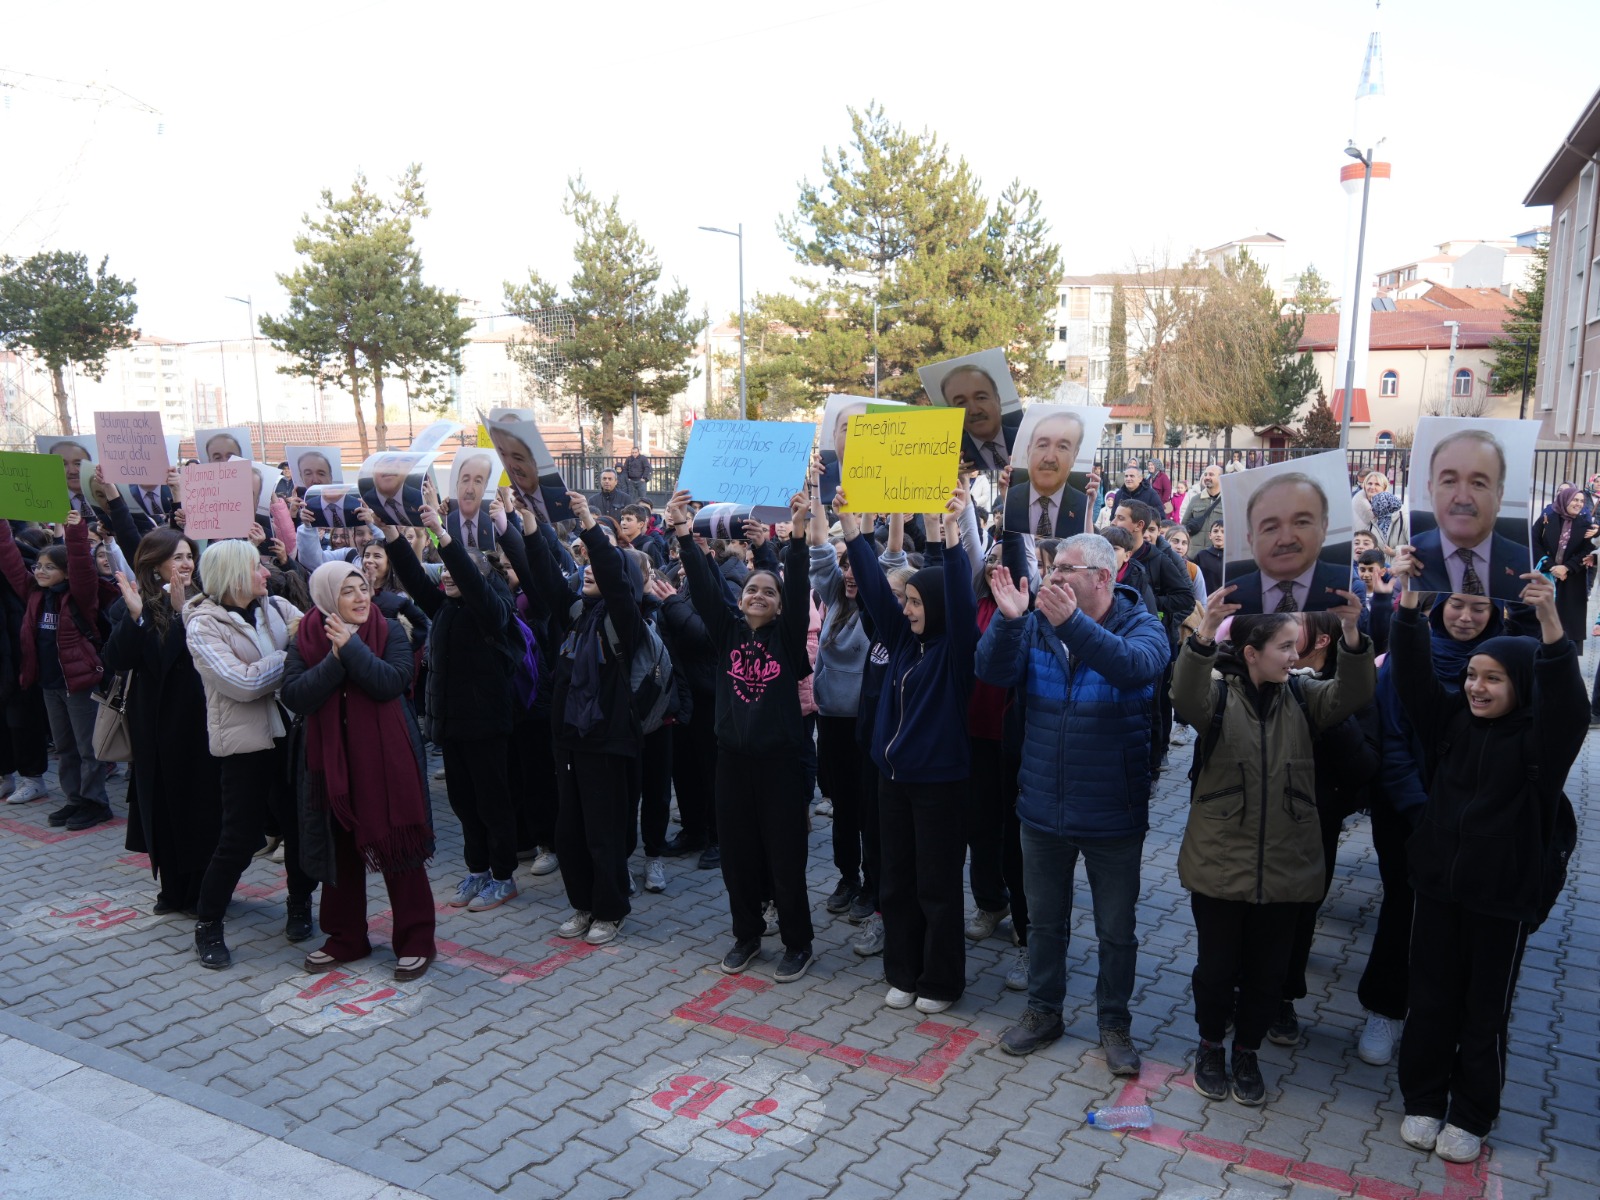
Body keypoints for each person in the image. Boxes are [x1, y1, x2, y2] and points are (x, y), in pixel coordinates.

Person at [1389, 572, 1582, 1164]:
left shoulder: (1540, 746)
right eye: (1472, 674)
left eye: (1493, 678)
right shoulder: (1450, 723)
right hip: (1438, 889)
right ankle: (1423, 1098)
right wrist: (1407, 607)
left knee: (1483, 1011)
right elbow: (1415, 679)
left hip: (1500, 901)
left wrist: (1552, 623)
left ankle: (1472, 1113)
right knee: (1430, 998)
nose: (1476, 687)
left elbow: (1569, 705)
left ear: (1521, 685)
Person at [1171, 585, 1374, 1106]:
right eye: (1284, 647)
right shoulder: (1216, 701)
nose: (1294, 656)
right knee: (1215, 971)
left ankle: (1248, 1052)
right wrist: (1200, 634)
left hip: (1286, 866)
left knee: (1266, 975)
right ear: (1251, 654)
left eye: (1295, 646)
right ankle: (1211, 1044)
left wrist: (1352, 635)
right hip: (1220, 865)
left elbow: (1352, 694)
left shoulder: (1305, 698)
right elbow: (1184, 695)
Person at [975, 534, 1168, 1073]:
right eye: (1051, 568)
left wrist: (1071, 626)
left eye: (1065, 569)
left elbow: (1134, 668)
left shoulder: (1142, 625)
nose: (1052, 577)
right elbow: (990, 673)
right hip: (1042, 804)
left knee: (1115, 929)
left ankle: (1114, 1024)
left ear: (1103, 578)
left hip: (1112, 810)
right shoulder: (1035, 623)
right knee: (1044, 922)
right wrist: (1011, 621)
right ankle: (1043, 1012)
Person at [668, 486, 816, 981]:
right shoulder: (728, 630)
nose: (757, 595)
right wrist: (684, 533)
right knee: (738, 857)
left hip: (779, 766)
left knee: (785, 857)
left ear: (778, 606)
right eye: (752, 589)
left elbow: (796, 586)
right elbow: (708, 591)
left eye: (767, 592)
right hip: (731, 762)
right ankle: (746, 935)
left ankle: (798, 943)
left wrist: (794, 536)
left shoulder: (787, 636)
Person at [842, 483, 978, 1014]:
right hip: (892, 781)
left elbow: (962, 599)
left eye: (919, 602)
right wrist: (852, 528)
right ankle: (902, 971)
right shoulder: (903, 641)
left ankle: (941, 981)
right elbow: (876, 589)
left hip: (940, 784)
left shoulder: (956, 650)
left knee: (937, 888)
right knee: (895, 881)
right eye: (909, 601)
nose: (910, 609)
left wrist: (947, 529)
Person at [283, 562, 437, 982]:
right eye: (348, 591)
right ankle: (346, 937)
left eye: (364, 588)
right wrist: (334, 661)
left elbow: (391, 682)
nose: (361, 597)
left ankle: (417, 939)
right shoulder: (306, 636)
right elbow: (296, 695)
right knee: (340, 849)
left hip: (386, 762)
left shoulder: (389, 630)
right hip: (330, 764)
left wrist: (351, 650)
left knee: (397, 845)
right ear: (326, 597)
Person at [379, 500, 521, 916]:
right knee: (463, 802)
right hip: (452, 727)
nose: (446, 575)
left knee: (493, 803)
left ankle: (503, 876)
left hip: (488, 726)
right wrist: (390, 533)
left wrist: (443, 536)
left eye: (455, 569)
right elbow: (412, 577)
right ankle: (477, 869)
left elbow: (475, 586)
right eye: (443, 569)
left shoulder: (494, 612)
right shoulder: (444, 608)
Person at [183, 539, 314, 969]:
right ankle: (209, 925)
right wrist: (289, 654)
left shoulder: (275, 606)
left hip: (289, 737)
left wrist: (299, 649)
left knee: (298, 828)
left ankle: (299, 905)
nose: (266, 573)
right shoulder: (203, 625)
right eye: (257, 567)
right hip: (244, 747)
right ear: (236, 576)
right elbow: (240, 685)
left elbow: (313, 637)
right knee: (238, 840)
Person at [523, 490, 645, 945]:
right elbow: (544, 576)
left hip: (607, 743)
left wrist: (588, 523)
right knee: (569, 832)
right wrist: (530, 523)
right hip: (570, 742)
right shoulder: (576, 614)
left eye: (598, 563)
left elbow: (613, 575)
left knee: (603, 833)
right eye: (585, 564)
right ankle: (582, 906)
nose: (589, 569)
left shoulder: (625, 618)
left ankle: (610, 911)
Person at [103, 529, 219, 915]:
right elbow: (120, 659)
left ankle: (204, 890)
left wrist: (181, 611)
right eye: (178, 557)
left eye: (189, 556)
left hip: (196, 726)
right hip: (153, 730)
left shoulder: (204, 603)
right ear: (155, 565)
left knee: (199, 808)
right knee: (161, 810)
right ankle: (171, 889)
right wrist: (137, 616)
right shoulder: (132, 605)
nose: (186, 563)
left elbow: (191, 659)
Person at [0, 510, 112, 829]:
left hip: (79, 685)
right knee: (65, 748)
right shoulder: (34, 594)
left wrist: (76, 531)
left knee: (87, 747)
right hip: (50, 686)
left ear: (65, 572)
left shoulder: (80, 598)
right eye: (38, 565)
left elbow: (82, 566)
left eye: (49, 567)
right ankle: (74, 799)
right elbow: (8, 556)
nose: (40, 570)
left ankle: (96, 802)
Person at [1409, 430, 1528, 601]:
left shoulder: (1524, 564)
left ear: (1499, 495)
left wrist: (1546, 613)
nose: (1463, 499)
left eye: (1478, 484)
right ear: (1431, 490)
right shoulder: (1411, 558)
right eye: (1449, 481)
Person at [1226, 473, 1352, 613]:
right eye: (1271, 528)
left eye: (1301, 522)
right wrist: (1208, 628)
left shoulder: (1349, 585)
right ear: (1251, 540)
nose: (1286, 540)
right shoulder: (1229, 597)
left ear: (1324, 528)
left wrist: (1353, 631)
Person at [1002, 412, 1089, 538]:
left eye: (1062, 447)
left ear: (1074, 455)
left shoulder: (1084, 505)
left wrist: (1089, 512)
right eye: (1042, 445)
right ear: (1029, 450)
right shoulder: (1009, 497)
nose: (1049, 458)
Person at [1531, 484, 1596, 649]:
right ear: (1564, 499)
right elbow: (1534, 540)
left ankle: (1567, 658)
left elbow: (1588, 550)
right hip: (1547, 575)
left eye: (1581, 501)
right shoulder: (1548, 517)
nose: (1579, 504)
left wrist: (1567, 567)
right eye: (1575, 499)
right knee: (1542, 620)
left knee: (1569, 624)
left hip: (1572, 578)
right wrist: (1551, 566)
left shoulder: (1585, 523)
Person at [943, 364, 1023, 470]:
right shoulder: (949, 455)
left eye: (981, 398)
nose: (974, 411)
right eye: (961, 403)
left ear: (998, 401)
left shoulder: (1029, 440)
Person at [448, 453, 497, 549]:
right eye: (465, 480)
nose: (470, 490)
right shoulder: (445, 523)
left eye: (478, 481)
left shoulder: (495, 525)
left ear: (485, 487)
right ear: (457, 485)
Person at [1352, 471, 1407, 553]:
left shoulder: (1397, 510)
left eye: (1377, 484)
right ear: (1364, 486)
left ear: (1384, 488)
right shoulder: (1355, 508)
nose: (1372, 487)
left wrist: (1395, 552)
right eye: (1369, 483)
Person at [361, 457, 425, 528]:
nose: (394, 466)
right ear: (375, 467)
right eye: (389, 460)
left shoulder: (422, 499)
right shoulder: (363, 505)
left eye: (403, 461)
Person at [1181, 465, 1225, 552]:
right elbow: (1184, 525)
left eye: (1211, 474)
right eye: (1205, 474)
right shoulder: (1195, 499)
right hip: (1194, 555)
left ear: (1221, 478)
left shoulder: (1227, 500)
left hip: (1217, 555)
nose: (1207, 477)